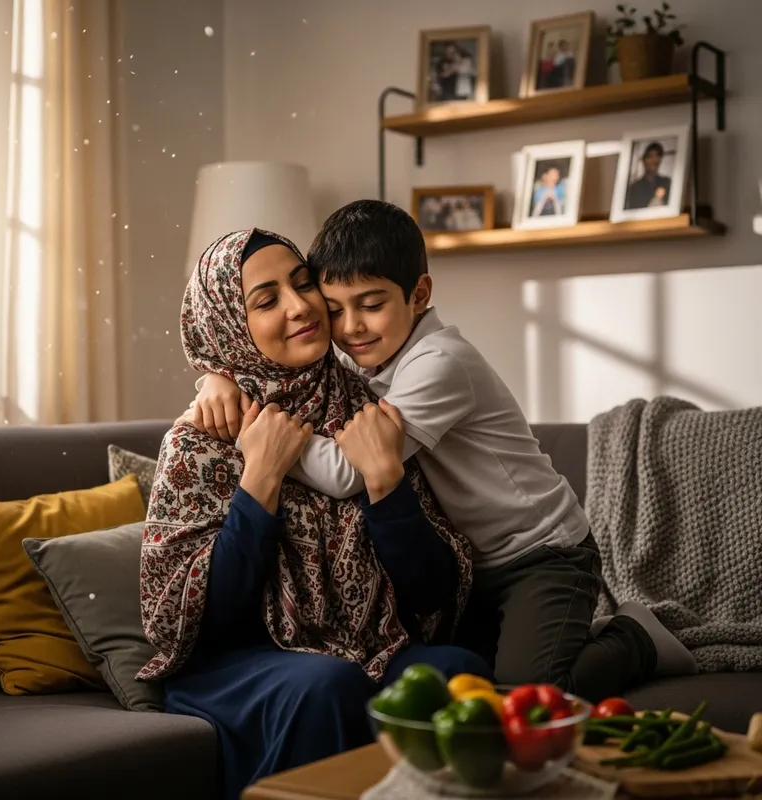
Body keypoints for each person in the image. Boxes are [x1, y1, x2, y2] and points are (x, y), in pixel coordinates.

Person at [186, 203, 700, 705]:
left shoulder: (439, 365)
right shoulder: (369, 356)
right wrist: (218, 375)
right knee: (464, 682)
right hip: (477, 568)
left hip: (542, 553)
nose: (350, 328)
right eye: (335, 309)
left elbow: (350, 471)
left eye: (371, 304)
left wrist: (256, 437)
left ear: (419, 294)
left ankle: (636, 638)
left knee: (527, 699)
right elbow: (258, 354)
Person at [138, 229, 492, 800]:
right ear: (231, 324)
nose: (301, 306)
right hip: (237, 663)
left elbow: (432, 592)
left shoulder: (370, 407)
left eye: (304, 284)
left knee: (455, 672)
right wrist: (259, 483)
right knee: (326, 683)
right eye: (266, 299)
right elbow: (204, 620)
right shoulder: (201, 439)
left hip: (366, 647)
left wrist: (385, 486)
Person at [625, 142, 672, 210]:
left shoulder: (667, 182)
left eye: (657, 156)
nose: (654, 160)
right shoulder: (634, 188)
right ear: (644, 160)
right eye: (650, 156)